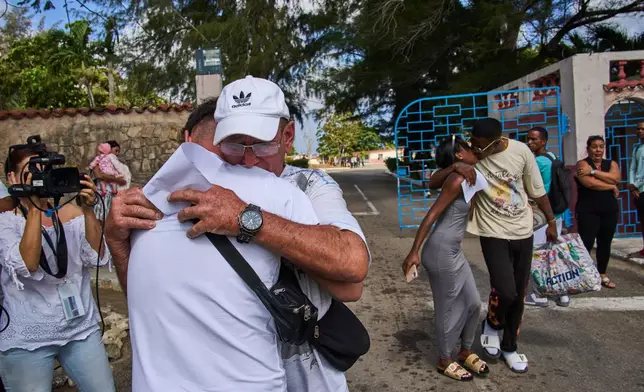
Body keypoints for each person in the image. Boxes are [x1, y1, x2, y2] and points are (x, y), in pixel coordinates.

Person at [106, 77, 368, 390]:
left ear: (287, 136)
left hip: (307, 370)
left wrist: (245, 218)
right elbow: (146, 299)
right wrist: (118, 243)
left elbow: (352, 276)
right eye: (233, 144)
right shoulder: (180, 196)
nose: (247, 159)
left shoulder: (306, 187)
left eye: (261, 144)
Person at [428, 118, 558, 374]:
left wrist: (551, 220)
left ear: (495, 143)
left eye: (479, 145)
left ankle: (510, 347)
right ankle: (492, 323)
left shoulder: (520, 151)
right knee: (505, 289)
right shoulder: (471, 160)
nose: (475, 148)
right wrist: (455, 164)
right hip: (492, 231)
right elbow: (434, 181)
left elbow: (537, 190)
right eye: (472, 143)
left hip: (522, 229)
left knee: (519, 293)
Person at [0, 144, 115, 391]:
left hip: (79, 329)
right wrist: (34, 207)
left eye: (44, 171)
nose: (40, 178)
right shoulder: (6, 224)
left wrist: (88, 210)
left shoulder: (71, 214)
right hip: (29, 337)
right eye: (32, 172)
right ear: (11, 177)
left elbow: (97, 258)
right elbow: (28, 264)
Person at [402, 136, 487, 381]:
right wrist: (414, 251)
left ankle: (465, 351)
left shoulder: (469, 174)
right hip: (440, 250)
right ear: (459, 154)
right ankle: (444, 359)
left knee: (473, 303)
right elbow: (432, 215)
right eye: (469, 148)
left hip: (453, 250)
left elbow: (431, 182)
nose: (475, 150)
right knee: (447, 307)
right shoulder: (458, 179)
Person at [525, 127, 570, 307]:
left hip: (542, 215)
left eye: (534, 140)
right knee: (554, 253)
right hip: (556, 213)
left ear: (543, 141)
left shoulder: (539, 162)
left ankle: (540, 294)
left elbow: (537, 190)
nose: (530, 142)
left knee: (538, 254)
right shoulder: (552, 157)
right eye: (528, 139)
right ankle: (563, 293)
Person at [575, 135, 620, 289]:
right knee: (586, 243)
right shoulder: (582, 164)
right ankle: (584, 275)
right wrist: (611, 186)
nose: (598, 150)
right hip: (588, 210)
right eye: (594, 146)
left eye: (601, 146)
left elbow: (615, 177)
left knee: (605, 243)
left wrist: (593, 171)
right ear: (588, 149)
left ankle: (602, 273)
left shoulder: (610, 163)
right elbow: (589, 184)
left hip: (609, 210)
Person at [90, 141, 126, 220]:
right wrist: (115, 178)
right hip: (102, 195)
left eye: (118, 152)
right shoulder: (98, 161)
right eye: (116, 151)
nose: (117, 154)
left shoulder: (115, 164)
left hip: (113, 196)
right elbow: (99, 175)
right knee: (100, 217)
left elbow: (123, 181)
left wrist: (108, 176)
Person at [627, 122, 644, 255]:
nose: (640, 131)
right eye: (638, 128)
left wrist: (635, 185)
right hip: (638, 191)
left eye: (642, 129)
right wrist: (631, 185)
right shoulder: (637, 148)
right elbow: (632, 168)